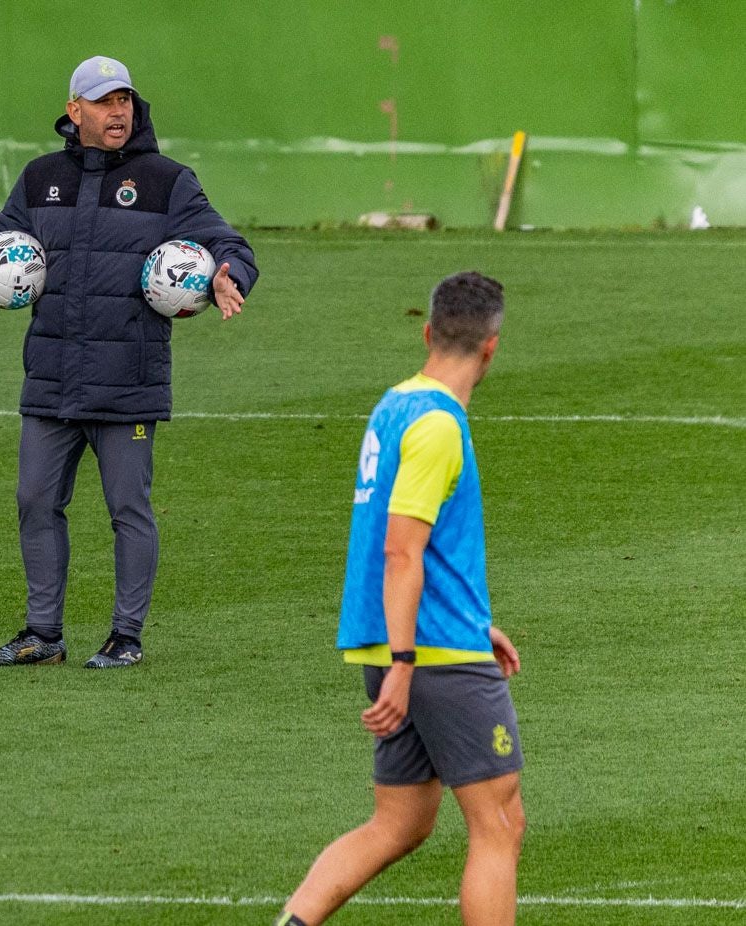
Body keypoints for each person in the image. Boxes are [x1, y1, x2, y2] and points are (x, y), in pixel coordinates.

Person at [0, 55, 258, 669]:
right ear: (75, 111)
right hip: (53, 375)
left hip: (128, 379)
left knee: (128, 509)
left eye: (124, 102)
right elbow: (4, 238)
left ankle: (126, 637)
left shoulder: (168, 180)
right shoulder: (41, 178)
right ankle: (43, 635)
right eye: (104, 102)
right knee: (35, 500)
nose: (118, 113)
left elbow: (227, 242)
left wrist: (229, 274)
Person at [277, 272, 525, 926]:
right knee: (498, 823)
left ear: (427, 333)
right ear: (492, 348)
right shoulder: (440, 424)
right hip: (427, 655)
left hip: (414, 640)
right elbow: (399, 549)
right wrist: (407, 661)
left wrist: (476, 624)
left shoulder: (393, 405)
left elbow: (415, 546)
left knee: (399, 824)